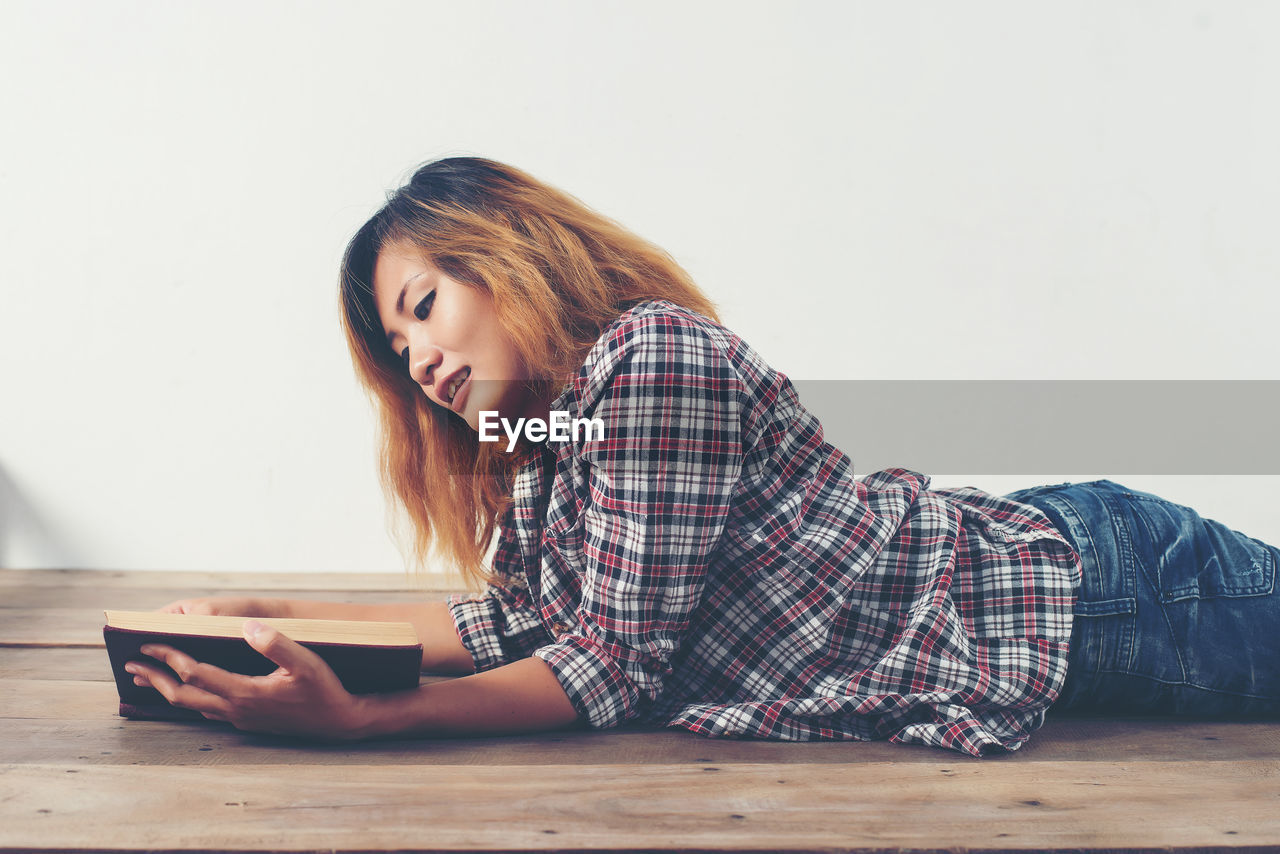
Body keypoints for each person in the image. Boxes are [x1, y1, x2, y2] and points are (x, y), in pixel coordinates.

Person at [125, 157, 1280, 757]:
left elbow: (608, 665)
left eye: (423, 304)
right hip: (1058, 603)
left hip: (1107, 592)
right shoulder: (557, 436)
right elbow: (520, 622)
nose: (417, 356)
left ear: (506, 250)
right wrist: (265, 614)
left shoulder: (650, 358)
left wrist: (374, 720)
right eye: (395, 343)